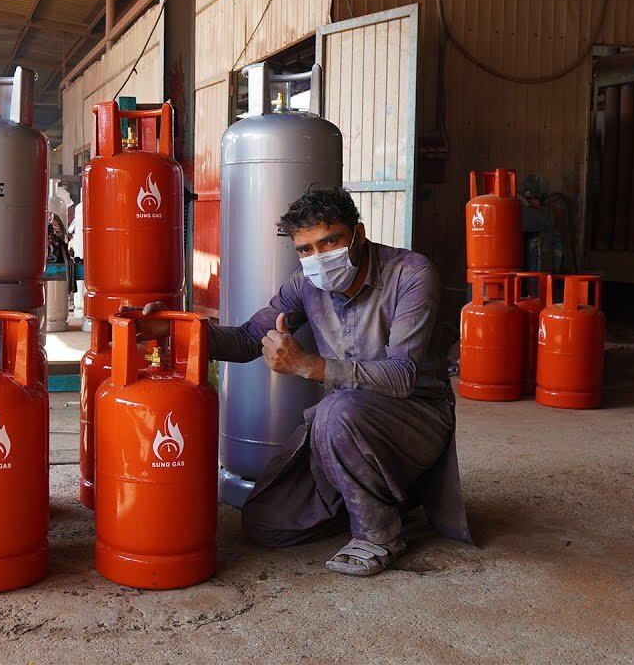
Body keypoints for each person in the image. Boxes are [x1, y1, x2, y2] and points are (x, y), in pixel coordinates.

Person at [137, 188, 472, 576]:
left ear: (358, 235)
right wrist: (174, 327)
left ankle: (378, 534)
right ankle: (387, 495)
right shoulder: (304, 285)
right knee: (265, 523)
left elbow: (401, 376)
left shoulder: (411, 273)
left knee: (337, 409)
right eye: (306, 249)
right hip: (342, 426)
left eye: (329, 242)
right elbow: (249, 338)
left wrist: (309, 366)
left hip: (417, 416)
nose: (319, 258)